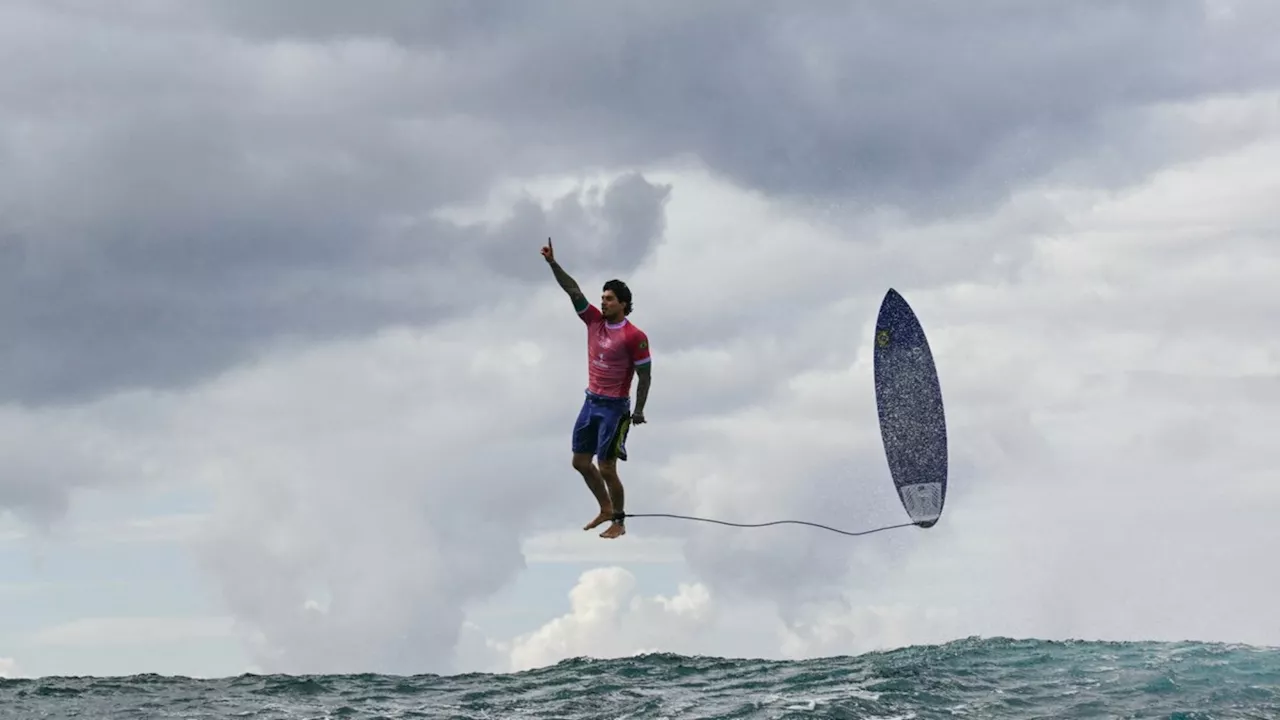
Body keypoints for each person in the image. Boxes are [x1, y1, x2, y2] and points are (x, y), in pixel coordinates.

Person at [541, 237, 651, 539]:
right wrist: (553, 263)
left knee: (606, 467)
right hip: (591, 401)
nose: (603, 302)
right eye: (602, 298)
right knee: (579, 462)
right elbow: (572, 289)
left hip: (615, 408)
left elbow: (646, 376)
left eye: (610, 299)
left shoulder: (634, 336)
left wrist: (639, 410)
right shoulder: (593, 321)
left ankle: (619, 521)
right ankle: (604, 507)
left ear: (623, 304)